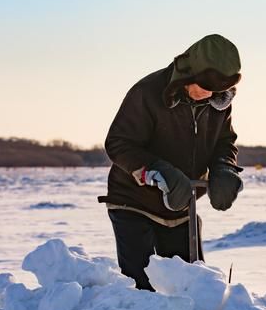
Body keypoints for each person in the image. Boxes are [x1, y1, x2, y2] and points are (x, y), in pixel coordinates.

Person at [97, 33, 244, 291]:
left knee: (191, 287)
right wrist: (158, 170)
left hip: (182, 206)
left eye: (217, 90)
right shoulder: (149, 93)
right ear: (189, 73)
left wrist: (224, 168)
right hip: (134, 203)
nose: (209, 94)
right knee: (142, 287)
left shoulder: (218, 102)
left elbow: (225, 142)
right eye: (204, 85)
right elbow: (119, 143)